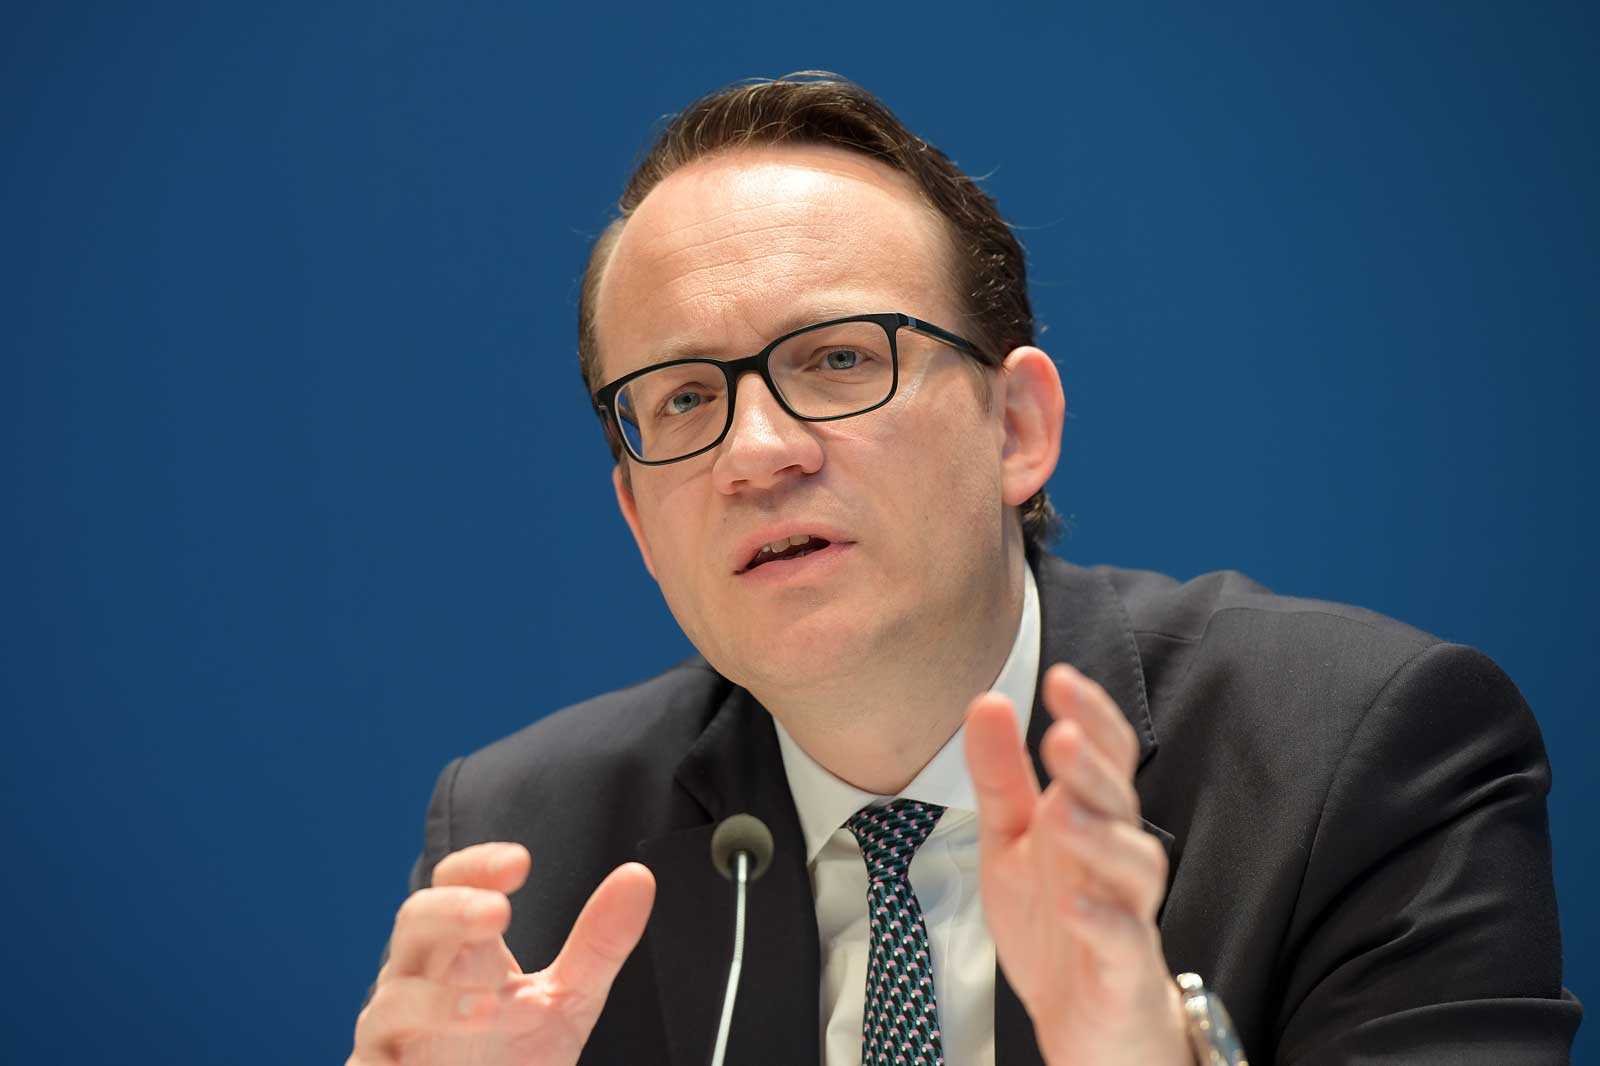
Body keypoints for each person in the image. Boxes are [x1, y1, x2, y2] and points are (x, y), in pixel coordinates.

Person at [348, 75, 1580, 1066]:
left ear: (1017, 430)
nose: (754, 453)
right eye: (680, 399)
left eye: (836, 359)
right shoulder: (526, 856)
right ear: (635, 517)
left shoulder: (1358, 759)